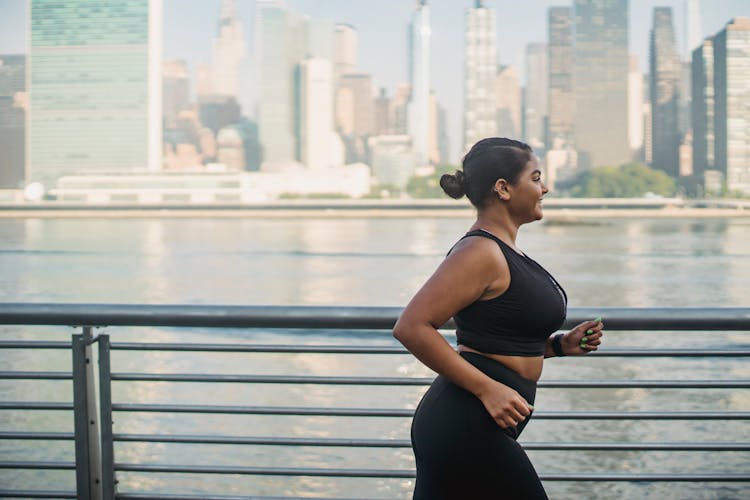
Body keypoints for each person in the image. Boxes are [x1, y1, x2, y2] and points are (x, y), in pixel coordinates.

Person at [393, 137, 604, 499]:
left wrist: (557, 346)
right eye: (536, 178)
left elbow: (497, 338)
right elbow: (411, 327)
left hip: (477, 422)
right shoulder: (480, 251)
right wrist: (486, 388)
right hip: (464, 422)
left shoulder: (504, 251)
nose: (545, 187)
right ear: (504, 189)